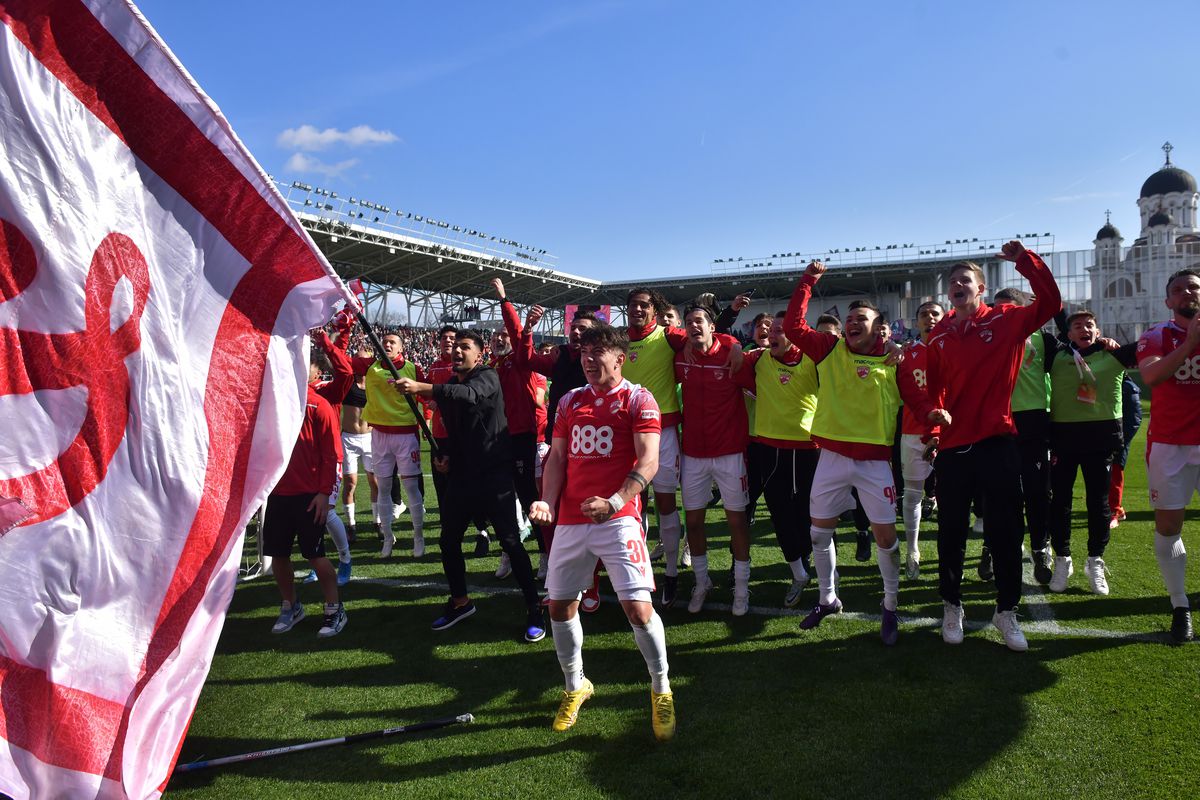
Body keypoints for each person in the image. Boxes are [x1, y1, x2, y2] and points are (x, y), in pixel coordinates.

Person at [784, 262, 947, 645]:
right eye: (850, 319)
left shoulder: (894, 360)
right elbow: (793, 327)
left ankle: (890, 605)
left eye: (863, 318)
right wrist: (808, 281)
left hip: (874, 464)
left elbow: (916, 399)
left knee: (886, 539)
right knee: (818, 533)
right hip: (831, 457)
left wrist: (933, 416)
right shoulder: (829, 349)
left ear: (879, 328)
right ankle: (828, 599)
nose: (854, 323)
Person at [527, 323, 674, 741]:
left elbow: (648, 461)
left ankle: (661, 687)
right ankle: (576, 685)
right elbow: (558, 457)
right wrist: (547, 501)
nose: (589, 360)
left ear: (620, 358)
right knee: (559, 607)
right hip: (572, 520)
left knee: (638, 610)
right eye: (584, 353)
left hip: (618, 517)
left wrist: (614, 501)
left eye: (598, 353)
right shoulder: (570, 400)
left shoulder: (639, 399)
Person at [925, 241, 1062, 651]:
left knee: (1005, 531)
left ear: (981, 288)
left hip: (996, 442)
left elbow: (1051, 302)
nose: (957, 285)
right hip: (953, 447)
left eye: (965, 279)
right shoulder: (939, 334)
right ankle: (952, 604)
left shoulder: (1007, 319)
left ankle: (1006, 611)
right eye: (952, 281)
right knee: (951, 531)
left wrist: (1025, 261)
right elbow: (934, 388)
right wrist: (934, 415)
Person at [395, 330, 546, 642]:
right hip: (462, 476)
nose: (458, 351)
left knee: (510, 541)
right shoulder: (451, 384)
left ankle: (534, 607)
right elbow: (455, 429)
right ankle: (460, 601)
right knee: (448, 541)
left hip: (494, 475)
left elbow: (468, 396)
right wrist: (446, 456)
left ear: (479, 355)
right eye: (456, 347)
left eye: (465, 347)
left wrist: (423, 387)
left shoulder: (487, 376)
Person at [622, 288, 742, 607]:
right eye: (632, 305)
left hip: (662, 433)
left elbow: (710, 337)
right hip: (625, 434)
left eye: (644, 305)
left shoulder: (668, 336)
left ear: (655, 310)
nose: (637, 310)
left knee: (665, 504)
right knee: (628, 504)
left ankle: (672, 573)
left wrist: (734, 343)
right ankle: (636, 568)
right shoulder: (619, 340)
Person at [1045, 310, 1138, 595]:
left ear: (1098, 331)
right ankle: (1063, 559)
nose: (1084, 329)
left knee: (1099, 504)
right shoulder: (1056, 356)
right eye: (1077, 326)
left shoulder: (1114, 355)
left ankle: (1095, 560)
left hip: (1100, 441)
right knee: (1060, 502)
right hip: (1063, 440)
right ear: (1068, 334)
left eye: (1090, 325)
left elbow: (1152, 344)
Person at [675, 304, 753, 615]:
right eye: (688, 322)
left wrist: (735, 345)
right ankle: (702, 581)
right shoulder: (681, 357)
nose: (694, 326)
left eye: (699, 321)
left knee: (737, 522)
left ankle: (742, 588)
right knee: (693, 523)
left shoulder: (732, 356)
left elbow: (759, 388)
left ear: (712, 327)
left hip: (730, 454)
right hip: (693, 454)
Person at [1136, 268, 1200, 643]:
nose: (1187, 293)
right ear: (1168, 301)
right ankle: (1180, 605)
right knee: (1169, 526)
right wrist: (1190, 344)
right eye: (1178, 289)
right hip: (1169, 445)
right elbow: (1151, 377)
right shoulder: (1156, 335)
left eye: (1193, 287)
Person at [264, 358, 347, 639]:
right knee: (278, 555)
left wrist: (324, 493)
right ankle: (291, 605)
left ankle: (334, 608)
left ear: (315, 372)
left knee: (316, 556)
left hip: (309, 496)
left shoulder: (319, 406)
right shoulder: (273, 403)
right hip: (277, 494)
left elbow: (332, 454)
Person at [744, 312, 819, 607]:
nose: (772, 334)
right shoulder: (758, 359)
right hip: (769, 447)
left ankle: (822, 573)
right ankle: (798, 573)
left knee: (810, 513)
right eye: (770, 329)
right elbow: (724, 354)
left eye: (780, 330)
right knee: (779, 512)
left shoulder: (814, 360)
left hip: (807, 448)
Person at [491, 278, 548, 579]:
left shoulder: (521, 361)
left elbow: (517, 332)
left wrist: (504, 300)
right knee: (500, 500)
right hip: (496, 440)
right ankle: (509, 552)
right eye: (496, 335)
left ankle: (545, 553)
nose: (500, 338)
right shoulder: (490, 366)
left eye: (504, 335)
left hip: (522, 436)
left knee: (528, 498)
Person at [352, 332, 426, 558]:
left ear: (401, 348)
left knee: (411, 488)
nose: (387, 344)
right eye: (384, 342)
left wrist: (431, 409)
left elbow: (426, 393)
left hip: (406, 435)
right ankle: (387, 537)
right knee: (383, 488)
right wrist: (333, 337)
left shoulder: (412, 368)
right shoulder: (370, 366)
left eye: (392, 342)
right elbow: (340, 360)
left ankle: (418, 537)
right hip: (379, 435)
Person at [427, 326, 490, 555]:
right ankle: (450, 536)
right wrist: (429, 410)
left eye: (454, 340)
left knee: (473, 490)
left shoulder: (474, 372)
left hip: (464, 440)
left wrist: (436, 395)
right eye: (445, 339)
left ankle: (482, 531)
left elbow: (464, 395)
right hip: (439, 436)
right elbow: (427, 397)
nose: (450, 343)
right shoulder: (434, 367)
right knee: (444, 489)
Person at [896, 301, 944, 580]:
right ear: (917, 322)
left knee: (951, 496)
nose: (930, 318)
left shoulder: (955, 349)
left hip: (949, 432)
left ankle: (948, 554)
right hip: (913, 431)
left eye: (935, 313)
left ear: (944, 317)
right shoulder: (905, 354)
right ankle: (912, 550)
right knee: (913, 494)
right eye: (924, 315)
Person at [1108, 374, 1142, 529]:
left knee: (1115, 473)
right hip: (1103, 435)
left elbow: (1134, 420)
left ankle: (1114, 512)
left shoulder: (1128, 387)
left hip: (1118, 439)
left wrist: (1121, 441)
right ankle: (1116, 510)